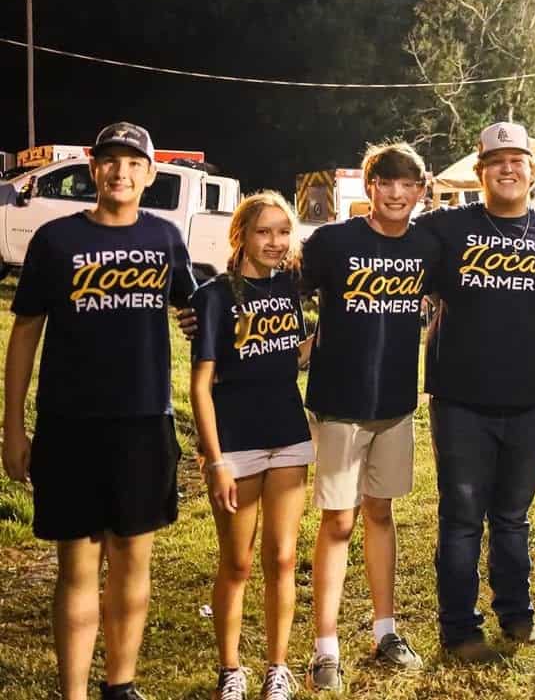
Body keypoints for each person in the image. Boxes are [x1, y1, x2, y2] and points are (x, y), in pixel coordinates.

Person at [2, 122, 197, 700]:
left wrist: (209, 321)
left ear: (150, 175)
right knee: (77, 566)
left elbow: (193, 309)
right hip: (70, 424)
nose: (120, 172)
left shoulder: (165, 238)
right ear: (93, 170)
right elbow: (25, 332)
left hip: (144, 423)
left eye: (133, 163)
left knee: (133, 560)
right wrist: (13, 427)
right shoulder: (55, 239)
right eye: (110, 161)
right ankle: (74, 693)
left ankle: (120, 686)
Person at [418, 121, 535, 662]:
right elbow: (384, 251)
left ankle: (517, 616)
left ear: (533, 173)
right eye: (496, 162)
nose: (507, 169)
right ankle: (460, 628)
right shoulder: (445, 229)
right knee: (462, 518)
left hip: (532, 399)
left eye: (517, 161)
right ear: (480, 171)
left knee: (513, 516)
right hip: (461, 400)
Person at [300, 142, 431, 692]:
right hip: (339, 405)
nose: (396, 194)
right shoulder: (334, 242)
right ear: (370, 187)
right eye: (386, 182)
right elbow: (281, 290)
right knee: (338, 520)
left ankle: (385, 630)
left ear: (420, 192)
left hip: (396, 405)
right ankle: (325, 647)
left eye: (407, 184)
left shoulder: (427, 245)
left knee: (381, 512)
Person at [191, 191, 312, 700]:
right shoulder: (215, 295)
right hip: (236, 442)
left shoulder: (288, 287)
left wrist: (338, 329)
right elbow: (200, 386)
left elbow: (291, 356)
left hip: (288, 436)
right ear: (240, 235)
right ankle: (230, 669)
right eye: (264, 231)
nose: (275, 242)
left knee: (282, 559)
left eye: (283, 232)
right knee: (237, 562)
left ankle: (277, 669)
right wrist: (215, 459)